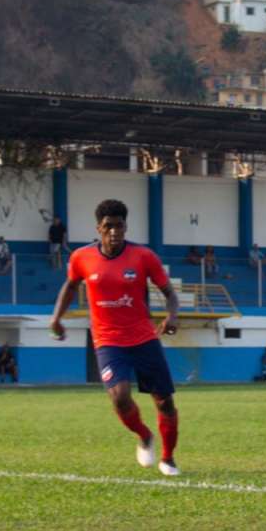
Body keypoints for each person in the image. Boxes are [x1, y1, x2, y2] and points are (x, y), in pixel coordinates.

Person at [50, 198, 182, 476]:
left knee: (164, 401)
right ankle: (144, 435)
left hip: (144, 338)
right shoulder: (82, 257)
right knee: (120, 397)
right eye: (108, 226)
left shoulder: (143, 256)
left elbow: (169, 292)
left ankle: (168, 458)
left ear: (125, 227)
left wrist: (172, 315)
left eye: (119, 226)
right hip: (108, 341)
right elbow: (70, 286)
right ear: (98, 228)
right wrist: (56, 318)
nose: (114, 231)